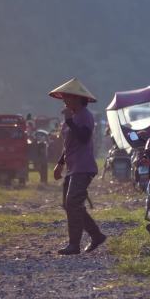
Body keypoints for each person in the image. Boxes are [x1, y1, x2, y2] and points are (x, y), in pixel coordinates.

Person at [49, 78, 107, 255]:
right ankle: (96, 235)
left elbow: (83, 137)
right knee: (71, 205)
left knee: (73, 202)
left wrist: (69, 122)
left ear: (77, 99)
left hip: (83, 167)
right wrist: (60, 164)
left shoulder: (84, 117)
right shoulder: (72, 117)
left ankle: (74, 244)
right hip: (73, 167)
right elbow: (69, 145)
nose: (65, 102)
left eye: (67, 98)